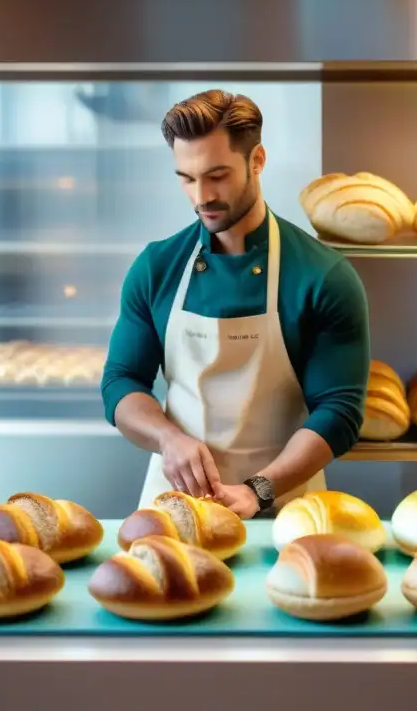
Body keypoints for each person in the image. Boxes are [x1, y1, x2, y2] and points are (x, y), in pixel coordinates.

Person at [100, 89, 371, 519]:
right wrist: (169, 439)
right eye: (186, 178)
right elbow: (121, 382)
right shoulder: (156, 267)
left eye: (217, 175)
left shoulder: (323, 276)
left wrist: (258, 490)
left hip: (286, 509)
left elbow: (339, 411)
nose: (201, 196)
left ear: (257, 160)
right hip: (175, 508)